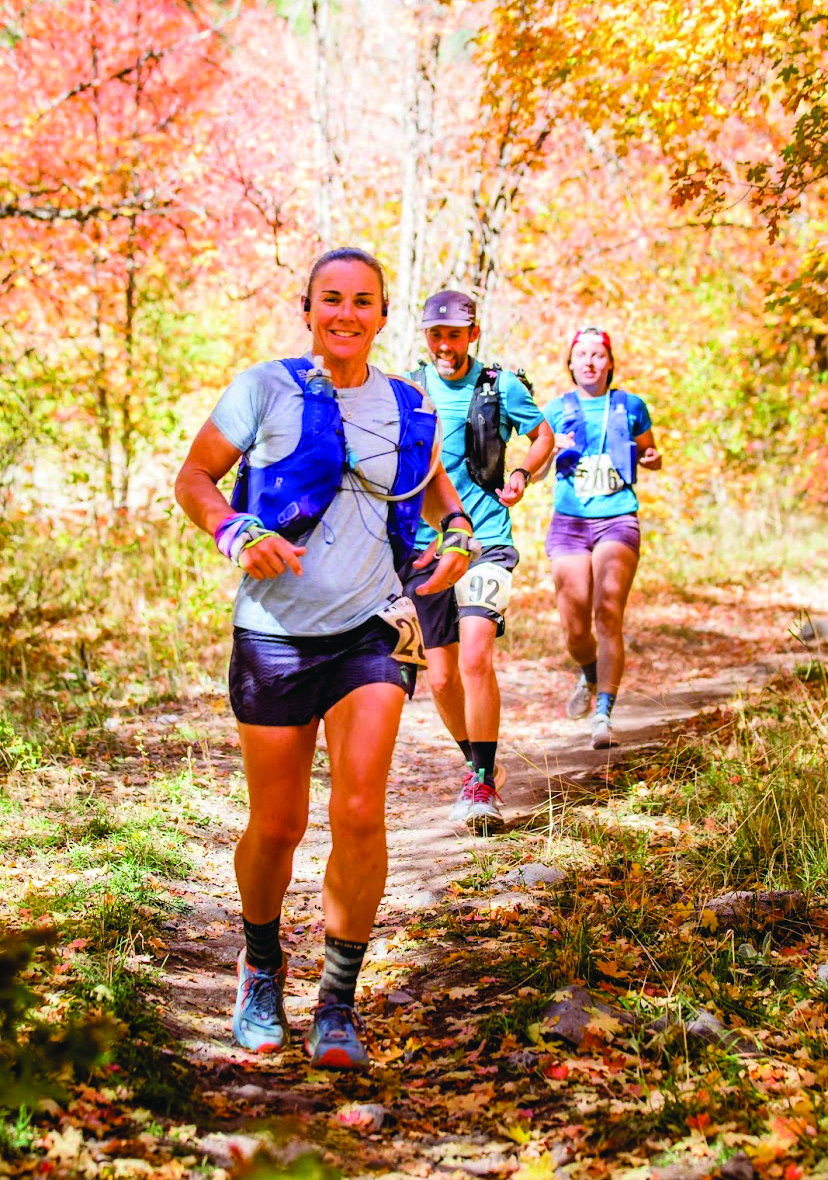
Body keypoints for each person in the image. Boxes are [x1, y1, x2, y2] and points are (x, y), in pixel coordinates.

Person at [174, 248, 476, 1070]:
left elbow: (438, 496)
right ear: (307, 309)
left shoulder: (410, 403)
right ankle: (261, 968)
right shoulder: (262, 389)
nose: (346, 313)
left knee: (360, 811)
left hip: (372, 629)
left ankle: (338, 1004)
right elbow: (195, 478)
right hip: (274, 632)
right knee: (278, 825)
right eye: (331, 299)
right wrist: (234, 530)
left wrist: (457, 537)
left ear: (382, 315)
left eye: (363, 301)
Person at [400, 290, 554, 833]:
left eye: (454, 334)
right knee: (442, 680)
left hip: (487, 539)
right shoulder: (408, 388)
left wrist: (522, 474)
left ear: (473, 334)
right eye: (436, 335)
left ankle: (482, 784)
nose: (444, 345)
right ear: (425, 336)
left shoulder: (500, 386)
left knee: (475, 658)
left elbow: (543, 436)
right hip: (427, 546)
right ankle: (478, 762)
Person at [542, 327, 662, 749]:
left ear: (610, 363)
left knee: (608, 614)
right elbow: (533, 471)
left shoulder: (630, 405)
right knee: (575, 631)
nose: (590, 362)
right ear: (571, 363)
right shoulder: (556, 409)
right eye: (582, 355)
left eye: (598, 355)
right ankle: (590, 673)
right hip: (570, 523)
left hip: (617, 519)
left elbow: (649, 453)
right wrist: (551, 448)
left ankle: (603, 714)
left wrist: (652, 459)